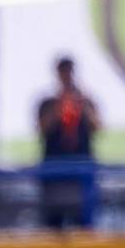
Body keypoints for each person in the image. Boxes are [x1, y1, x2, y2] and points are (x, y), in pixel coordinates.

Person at [37, 57, 100, 230]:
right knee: (52, 227)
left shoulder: (86, 101)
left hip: (80, 173)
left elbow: (97, 127)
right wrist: (59, 107)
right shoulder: (47, 103)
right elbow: (41, 128)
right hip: (55, 173)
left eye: (70, 72)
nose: (67, 76)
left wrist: (81, 105)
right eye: (63, 72)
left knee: (83, 227)